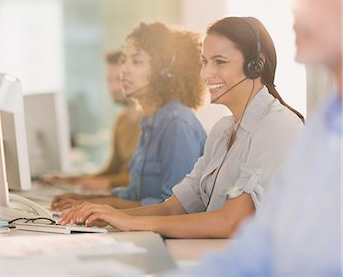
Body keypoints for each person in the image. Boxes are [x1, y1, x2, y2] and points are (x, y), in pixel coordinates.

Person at [59, 17, 305, 240]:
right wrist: (108, 214)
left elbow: (230, 222)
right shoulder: (222, 130)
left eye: (219, 62)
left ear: (256, 64)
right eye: (204, 62)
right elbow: (173, 206)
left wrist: (132, 222)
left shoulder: (278, 126)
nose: (207, 73)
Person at [167, 0, 342, 275]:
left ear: (254, 65)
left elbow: (234, 224)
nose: (295, 5)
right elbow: (258, 249)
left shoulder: (283, 126)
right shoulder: (321, 126)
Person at [52, 22, 207, 210]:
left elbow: (174, 208)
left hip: (168, 238)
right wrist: (91, 199)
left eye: (136, 61)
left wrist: (105, 204)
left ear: (164, 71)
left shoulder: (177, 125)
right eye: (124, 60)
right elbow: (136, 194)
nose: (123, 69)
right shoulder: (150, 122)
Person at [51, 51, 142, 192]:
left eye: (119, 80)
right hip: (122, 192)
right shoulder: (122, 120)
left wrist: (109, 183)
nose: (113, 88)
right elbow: (112, 170)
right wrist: (71, 180)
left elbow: (149, 179)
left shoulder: (154, 121)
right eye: (109, 80)